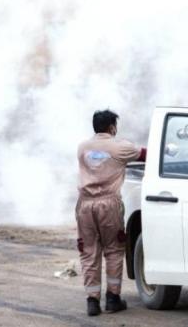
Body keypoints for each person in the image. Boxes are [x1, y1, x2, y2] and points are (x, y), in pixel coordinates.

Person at [75, 109, 146, 316]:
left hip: (85, 204)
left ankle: (92, 301)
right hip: (109, 204)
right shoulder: (120, 147)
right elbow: (146, 155)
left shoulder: (82, 147)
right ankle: (113, 298)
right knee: (114, 249)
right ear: (112, 127)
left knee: (89, 251)